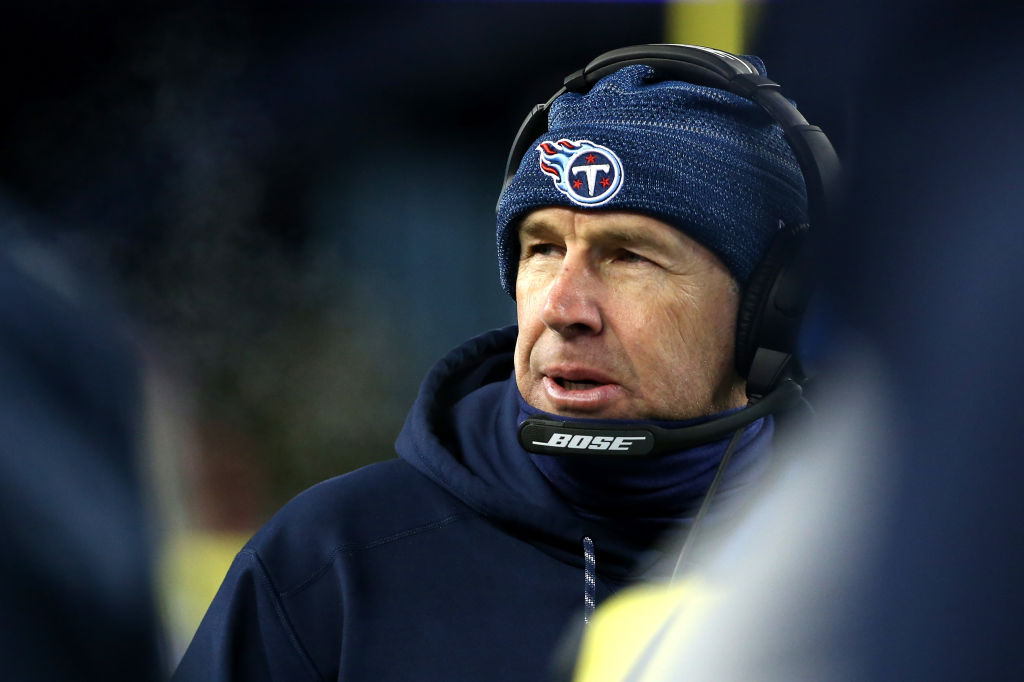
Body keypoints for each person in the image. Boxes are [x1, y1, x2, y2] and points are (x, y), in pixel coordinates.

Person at [174, 44, 826, 681]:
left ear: (771, 309)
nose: (564, 306)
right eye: (542, 249)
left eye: (629, 256)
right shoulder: (328, 563)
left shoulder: (883, 561)